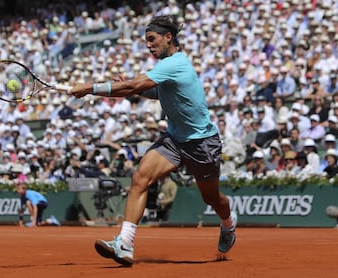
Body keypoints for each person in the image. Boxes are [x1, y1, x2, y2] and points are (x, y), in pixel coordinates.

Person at [69, 15, 237, 266]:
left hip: (201, 142)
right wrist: (129, 87)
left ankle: (228, 223)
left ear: (168, 38)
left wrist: (90, 87)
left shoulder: (175, 63)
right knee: (140, 178)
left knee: (212, 199)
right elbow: (153, 91)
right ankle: (125, 244)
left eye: (152, 39)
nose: (148, 45)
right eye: (146, 40)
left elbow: (134, 86)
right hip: (174, 140)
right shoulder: (168, 66)